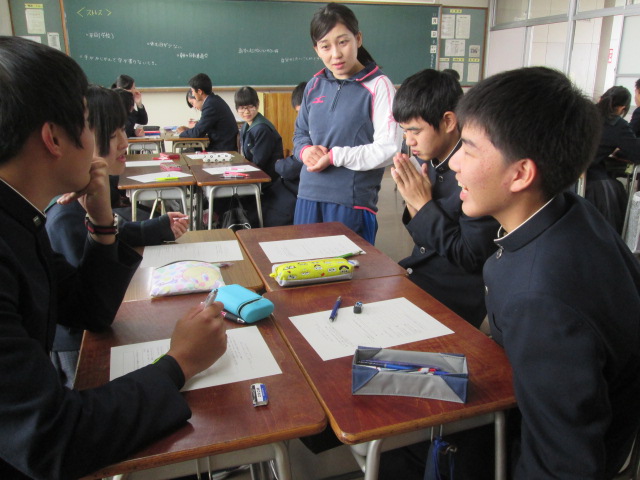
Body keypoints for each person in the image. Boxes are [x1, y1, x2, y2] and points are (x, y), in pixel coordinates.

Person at [0, 36, 227, 479]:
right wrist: (179, 363)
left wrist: (103, 222)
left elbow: (89, 310)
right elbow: (52, 438)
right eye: (90, 123)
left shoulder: (21, 221)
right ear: (53, 138)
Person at [450, 66, 640, 479]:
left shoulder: (540, 301)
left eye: (468, 149)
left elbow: (562, 463)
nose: (454, 164)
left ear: (520, 173)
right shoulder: (571, 211)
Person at [46, 85, 190, 387]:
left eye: (123, 130)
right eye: (113, 135)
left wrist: (159, 227)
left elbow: (117, 230)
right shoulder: (63, 215)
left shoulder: (88, 193)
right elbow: (89, 308)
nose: (125, 141)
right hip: (80, 345)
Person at [390, 69, 498, 328]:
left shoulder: (474, 172)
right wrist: (414, 202)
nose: (409, 141)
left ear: (449, 121)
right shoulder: (431, 160)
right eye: (404, 132)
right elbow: (423, 240)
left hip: (451, 297)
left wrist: (423, 204)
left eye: (415, 131)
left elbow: (469, 256)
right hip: (418, 278)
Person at [293, 2, 402, 244]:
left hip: (351, 202)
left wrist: (334, 157)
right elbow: (300, 134)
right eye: (325, 46)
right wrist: (305, 151)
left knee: (350, 268)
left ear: (358, 39)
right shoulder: (314, 85)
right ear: (316, 50)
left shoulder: (379, 85)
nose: (336, 54)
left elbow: (388, 149)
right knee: (306, 265)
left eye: (343, 42)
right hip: (308, 196)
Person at [586, 86, 640, 234]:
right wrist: (619, 152)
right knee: (616, 190)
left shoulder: (583, 113)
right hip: (590, 179)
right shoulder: (616, 124)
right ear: (622, 108)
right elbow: (636, 153)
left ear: (601, 99)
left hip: (564, 176)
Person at [262, 81, 306, 227]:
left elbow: (292, 167)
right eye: (298, 113)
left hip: (295, 192)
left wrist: (279, 165)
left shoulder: (320, 132)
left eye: (304, 112)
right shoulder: (304, 130)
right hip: (288, 186)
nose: (301, 118)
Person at [177, 73, 238, 151]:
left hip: (222, 149)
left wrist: (182, 132)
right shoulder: (213, 100)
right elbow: (201, 127)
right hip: (221, 145)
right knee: (188, 151)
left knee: (185, 153)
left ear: (199, 91)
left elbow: (197, 133)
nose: (192, 93)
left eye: (192, 91)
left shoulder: (210, 105)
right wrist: (189, 130)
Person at [235, 86, 284, 182]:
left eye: (250, 107)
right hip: (255, 175)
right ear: (237, 108)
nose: (246, 112)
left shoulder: (262, 129)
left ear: (257, 105)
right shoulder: (246, 126)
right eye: (242, 108)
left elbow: (259, 163)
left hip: (267, 180)